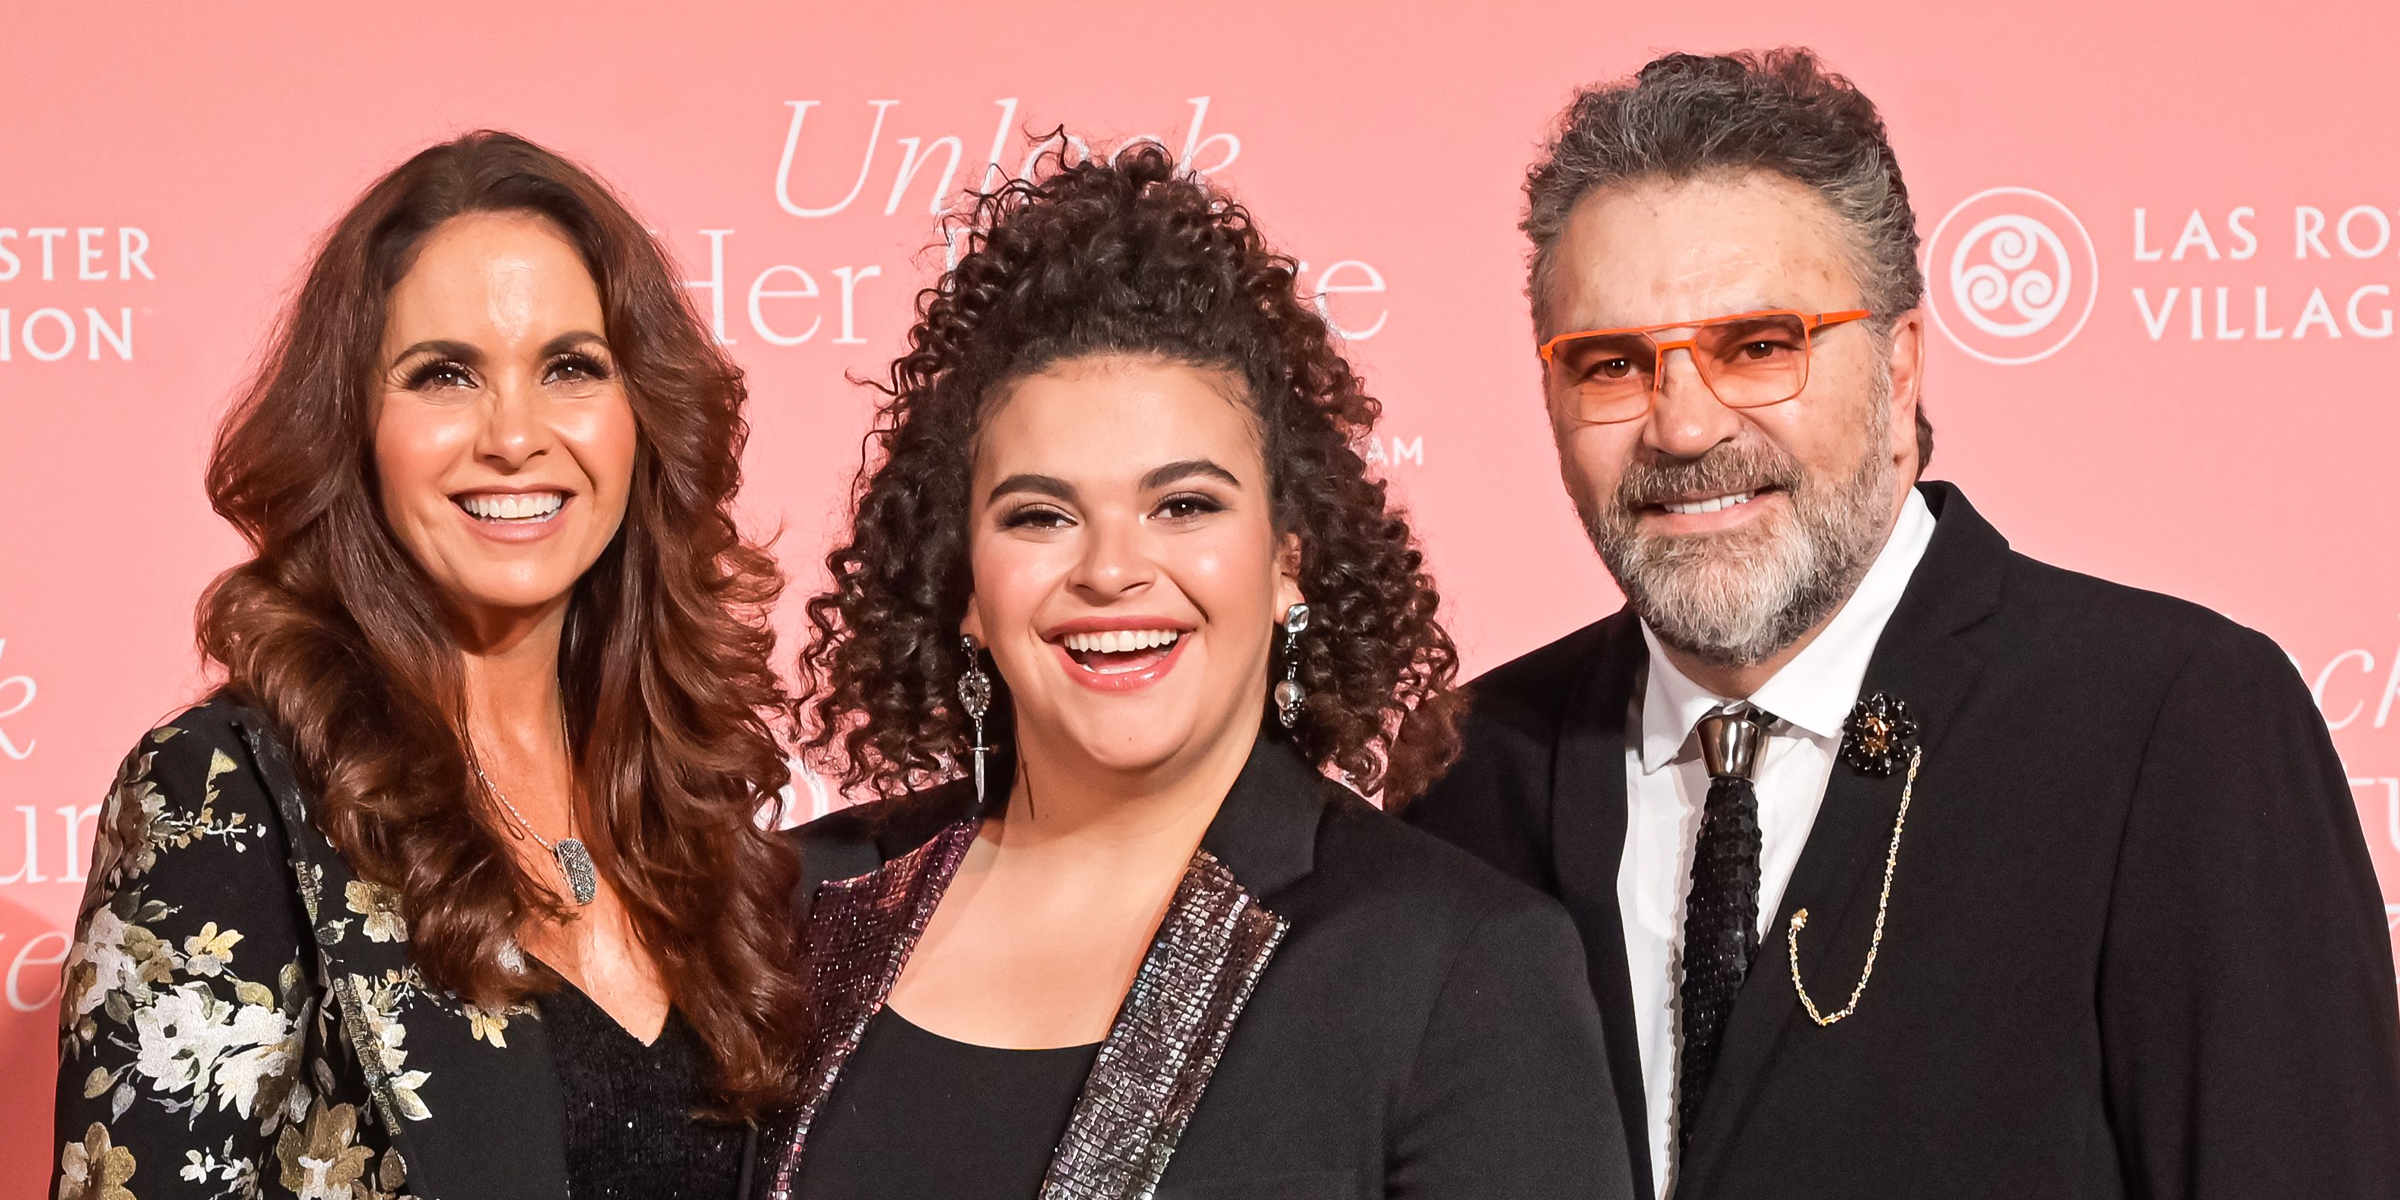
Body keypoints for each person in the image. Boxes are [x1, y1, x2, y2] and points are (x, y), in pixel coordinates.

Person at [1404, 48, 2400, 1200]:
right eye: (1612, 364)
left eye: (1760, 347)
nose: (1682, 427)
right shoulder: (1469, 770)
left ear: (1902, 367)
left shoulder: (2173, 726)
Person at [764, 143, 1633, 1200]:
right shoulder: (789, 910)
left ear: (1287, 562)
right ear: (966, 591)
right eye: (1040, 515)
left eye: (1185, 505)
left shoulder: (1459, 967)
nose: (1113, 570)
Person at [51, 132, 805, 1200]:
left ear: (643, 419)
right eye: (444, 375)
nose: (513, 435)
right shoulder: (231, 796)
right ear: (354, 428)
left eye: (570, 368)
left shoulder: (693, 811)